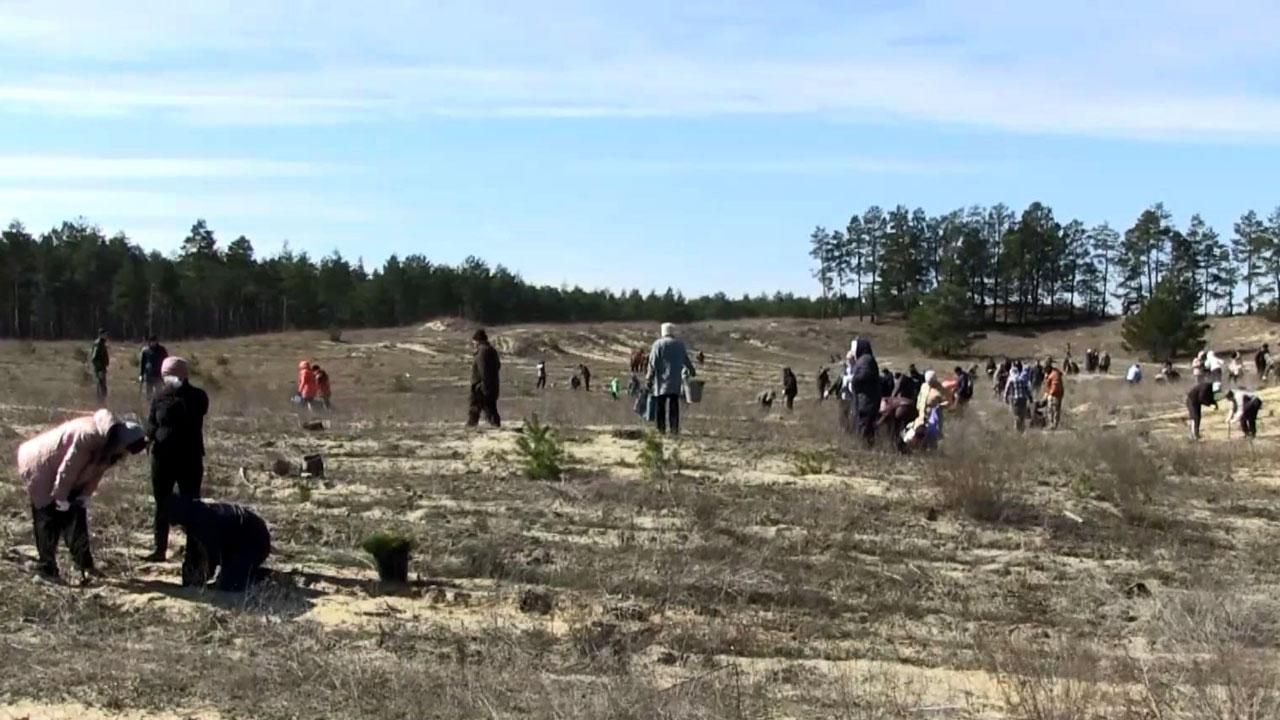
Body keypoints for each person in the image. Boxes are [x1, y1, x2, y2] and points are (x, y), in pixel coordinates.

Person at [16, 409, 147, 581]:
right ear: (122, 441)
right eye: (127, 449)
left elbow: (96, 472)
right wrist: (61, 497)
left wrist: (85, 495)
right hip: (40, 463)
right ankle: (47, 567)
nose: (126, 454)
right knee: (48, 515)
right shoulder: (88, 436)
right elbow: (68, 468)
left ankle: (84, 565)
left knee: (76, 514)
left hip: (60, 469)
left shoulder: (110, 448)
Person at [144, 356, 210, 562]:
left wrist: (178, 394)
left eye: (168, 375)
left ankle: (193, 551)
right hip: (162, 459)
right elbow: (152, 423)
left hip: (189, 458)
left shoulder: (198, 396)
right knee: (161, 503)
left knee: (191, 503)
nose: (165, 379)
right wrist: (148, 438)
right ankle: (159, 549)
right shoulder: (159, 397)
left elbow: (194, 413)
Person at [164, 496, 271, 593]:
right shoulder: (197, 511)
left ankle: (267, 577)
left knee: (229, 585)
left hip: (255, 542)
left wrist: (201, 578)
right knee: (226, 578)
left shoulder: (201, 522)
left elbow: (212, 556)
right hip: (241, 540)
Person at [647, 323, 696, 435]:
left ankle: (661, 429)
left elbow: (652, 362)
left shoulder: (658, 344)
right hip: (675, 381)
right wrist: (692, 370)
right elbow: (686, 360)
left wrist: (649, 377)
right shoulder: (679, 345)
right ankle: (674, 429)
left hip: (661, 382)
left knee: (660, 406)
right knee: (674, 406)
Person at [849, 338, 882, 447]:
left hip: (867, 401)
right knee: (863, 427)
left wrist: (853, 379)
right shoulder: (863, 360)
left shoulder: (866, 360)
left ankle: (865, 448)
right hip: (863, 401)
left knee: (865, 428)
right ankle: (864, 447)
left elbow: (864, 375)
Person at [468, 329, 502, 427]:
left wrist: (483, 385)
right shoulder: (492, 350)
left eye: (474, 342)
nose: (474, 344)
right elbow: (498, 366)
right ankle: (494, 425)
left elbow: (483, 370)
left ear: (478, 341)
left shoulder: (482, 353)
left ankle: (472, 426)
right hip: (491, 385)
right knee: (489, 407)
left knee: (480, 408)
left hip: (481, 386)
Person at [138, 335, 168, 400]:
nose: (153, 343)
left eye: (155, 341)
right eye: (152, 341)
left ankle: (159, 404)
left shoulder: (162, 350)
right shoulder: (146, 351)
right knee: (149, 393)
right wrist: (141, 375)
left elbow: (166, 361)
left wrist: (166, 373)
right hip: (149, 375)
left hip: (159, 375)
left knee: (159, 393)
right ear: (149, 342)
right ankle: (149, 404)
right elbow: (143, 363)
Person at [1004, 361, 1031, 433]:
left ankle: (1017, 430)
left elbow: (1007, 390)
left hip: (1015, 399)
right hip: (1023, 399)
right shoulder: (1022, 379)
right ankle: (1022, 430)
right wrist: (1030, 398)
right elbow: (1027, 389)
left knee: (1016, 415)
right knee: (1022, 415)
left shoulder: (1011, 379)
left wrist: (1005, 398)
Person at [89, 329, 110, 405]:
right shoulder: (98, 344)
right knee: (101, 388)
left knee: (103, 388)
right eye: (105, 334)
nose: (106, 336)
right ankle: (100, 404)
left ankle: (102, 403)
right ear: (101, 335)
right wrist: (99, 370)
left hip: (102, 369)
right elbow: (94, 358)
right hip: (100, 370)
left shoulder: (102, 343)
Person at [1043, 360, 1065, 430]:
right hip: (1058, 394)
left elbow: (1051, 386)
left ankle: (1053, 425)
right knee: (1055, 410)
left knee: (1052, 410)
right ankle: (1054, 424)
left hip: (1054, 394)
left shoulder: (1052, 374)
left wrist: (1048, 395)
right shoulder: (1055, 372)